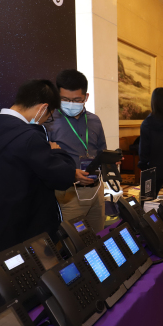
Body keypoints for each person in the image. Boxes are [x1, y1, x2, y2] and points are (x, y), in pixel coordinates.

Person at [0, 80, 76, 253]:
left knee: (10, 269)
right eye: (49, 116)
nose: (45, 121)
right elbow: (64, 177)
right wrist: (56, 151)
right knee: (40, 270)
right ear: (42, 108)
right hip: (31, 233)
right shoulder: (29, 138)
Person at [45, 70, 108, 233]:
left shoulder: (94, 120)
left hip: (96, 190)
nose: (71, 104)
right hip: (68, 194)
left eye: (76, 100)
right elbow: (45, 162)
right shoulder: (48, 121)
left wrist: (109, 161)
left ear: (86, 97)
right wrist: (70, 173)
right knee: (72, 241)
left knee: (97, 236)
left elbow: (101, 151)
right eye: (65, 99)